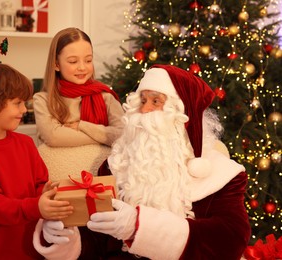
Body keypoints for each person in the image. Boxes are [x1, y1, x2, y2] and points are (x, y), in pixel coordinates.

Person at [33, 64, 251, 259]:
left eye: (156, 101)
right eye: (142, 101)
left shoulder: (221, 173)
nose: (144, 110)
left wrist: (137, 227)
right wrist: (67, 238)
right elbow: (98, 238)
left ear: (181, 115)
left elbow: (230, 240)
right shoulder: (115, 165)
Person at [0, 63, 73, 260]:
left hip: (32, 250)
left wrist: (44, 193)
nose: (24, 110)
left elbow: (39, 183)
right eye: (17, 103)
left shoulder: (25, 143)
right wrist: (36, 207)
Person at [33, 27, 125, 182]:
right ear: (56, 64)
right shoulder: (43, 100)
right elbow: (53, 136)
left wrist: (82, 126)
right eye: (73, 61)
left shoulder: (105, 97)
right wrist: (103, 136)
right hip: (60, 186)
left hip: (103, 183)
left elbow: (122, 135)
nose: (82, 67)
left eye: (88, 60)